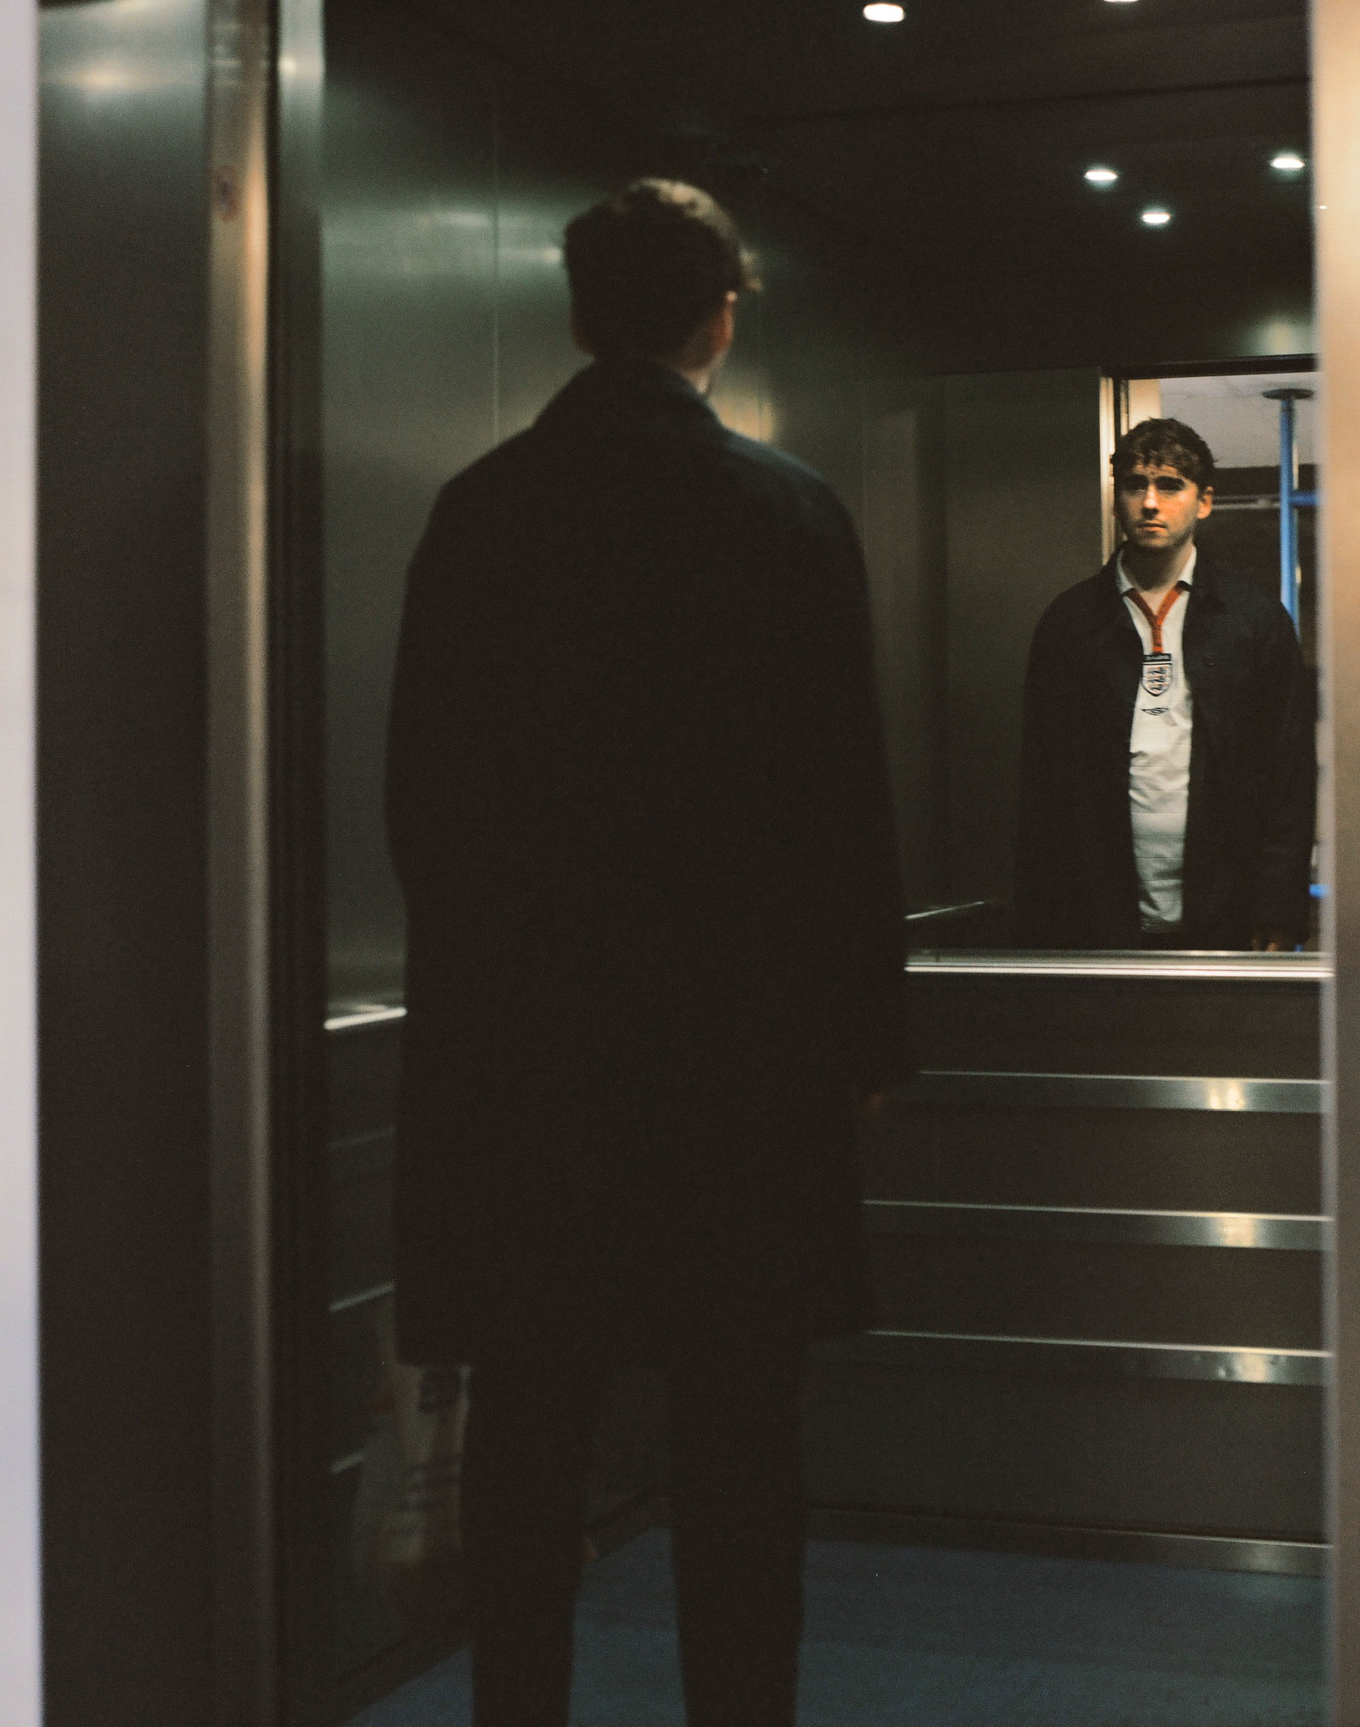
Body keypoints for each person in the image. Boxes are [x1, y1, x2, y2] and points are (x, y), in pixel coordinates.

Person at [384, 178, 910, 1727]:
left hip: (528, 1073)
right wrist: (861, 1044)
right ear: (718, 313)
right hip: (735, 1081)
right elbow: (843, 813)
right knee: (739, 1443)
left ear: (575, 314)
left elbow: (422, 806)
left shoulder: (478, 510)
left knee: (528, 1434)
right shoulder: (789, 512)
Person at [1013, 415, 1316, 951]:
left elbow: (1287, 774)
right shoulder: (1071, 621)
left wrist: (1278, 906)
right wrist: (1039, 915)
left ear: (1203, 501)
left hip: (1229, 907)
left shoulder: (1254, 620)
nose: (1150, 502)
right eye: (1135, 485)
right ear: (1116, 499)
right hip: (1094, 910)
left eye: (1170, 485)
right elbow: (1042, 783)